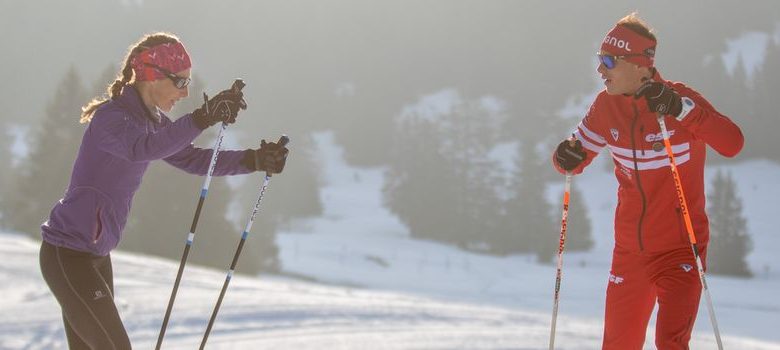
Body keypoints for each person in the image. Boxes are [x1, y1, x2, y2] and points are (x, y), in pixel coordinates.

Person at [38, 32, 289, 349]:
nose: (185, 93)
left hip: (96, 256)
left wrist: (253, 159)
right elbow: (141, 148)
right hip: (67, 255)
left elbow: (193, 159)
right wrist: (202, 117)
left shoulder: (152, 122)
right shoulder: (111, 119)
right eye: (181, 82)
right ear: (152, 75)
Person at [552, 13, 743, 350]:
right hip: (630, 253)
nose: (601, 69)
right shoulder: (605, 107)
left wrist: (682, 110)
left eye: (609, 60)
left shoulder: (679, 101)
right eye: (600, 59)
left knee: (670, 343)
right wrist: (565, 157)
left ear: (641, 65)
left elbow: (732, 143)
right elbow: (574, 158)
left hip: (681, 250)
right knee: (618, 344)